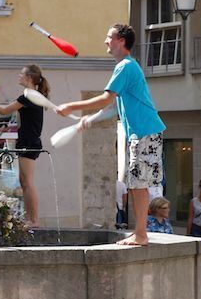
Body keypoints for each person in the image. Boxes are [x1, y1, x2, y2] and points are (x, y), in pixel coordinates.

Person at [57, 24, 165, 246]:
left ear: (121, 41)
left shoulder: (125, 67)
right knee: (137, 183)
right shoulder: (127, 67)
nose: (106, 41)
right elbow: (114, 108)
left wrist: (72, 106)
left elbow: (106, 98)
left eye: (109, 37)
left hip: (143, 132)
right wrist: (89, 119)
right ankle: (140, 232)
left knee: (138, 184)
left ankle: (141, 234)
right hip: (144, 132)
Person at [0, 65, 49, 227]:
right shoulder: (33, 96)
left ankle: (34, 220)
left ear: (29, 78)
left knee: (28, 182)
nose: (18, 77)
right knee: (24, 182)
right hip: (28, 141)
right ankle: (30, 219)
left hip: (29, 143)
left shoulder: (28, 96)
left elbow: (4, 111)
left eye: (21, 74)